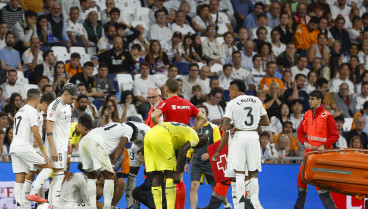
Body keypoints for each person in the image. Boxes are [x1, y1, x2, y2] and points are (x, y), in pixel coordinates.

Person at [213, 79, 270, 209]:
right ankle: (256, 202)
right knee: (253, 172)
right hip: (253, 137)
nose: (229, 94)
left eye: (229, 91)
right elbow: (266, 122)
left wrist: (237, 124)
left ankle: (239, 204)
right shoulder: (256, 100)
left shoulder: (232, 103)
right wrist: (253, 123)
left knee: (239, 173)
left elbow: (225, 126)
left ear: (235, 90)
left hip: (240, 137)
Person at [151, 78, 207, 209]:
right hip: (183, 144)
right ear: (178, 89)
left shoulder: (166, 103)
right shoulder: (187, 103)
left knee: (168, 177)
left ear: (166, 89)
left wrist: (161, 129)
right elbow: (203, 118)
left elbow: (154, 116)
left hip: (169, 142)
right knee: (179, 177)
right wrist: (192, 132)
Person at [144, 122, 208, 209]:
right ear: (200, 144)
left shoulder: (185, 131)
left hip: (149, 134)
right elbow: (182, 150)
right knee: (170, 174)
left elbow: (178, 150)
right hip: (162, 136)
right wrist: (177, 173)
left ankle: (158, 207)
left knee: (156, 174)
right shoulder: (195, 138)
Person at [294, 89, 339, 209]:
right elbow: (300, 132)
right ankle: (299, 207)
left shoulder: (327, 116)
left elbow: (335, 135)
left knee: (320, 185)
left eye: (312, 99)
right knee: (301, 179)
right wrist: (304, 142)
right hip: (308, 153)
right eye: (309, 98)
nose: (310, 101)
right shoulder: (307, 114)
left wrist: (323, 145)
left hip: (321, 155)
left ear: (319, 100)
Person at [9, 89, 53, 207]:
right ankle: (34, 193)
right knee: (48, 166)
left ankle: (22, 206)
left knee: (20, 178)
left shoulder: (20, 111)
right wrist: (43, 152)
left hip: (14, 147)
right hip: (24, 147)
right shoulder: (32, 111)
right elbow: (36, 133)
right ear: (38, 99)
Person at [79, 122, 138, 209]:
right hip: (97, 177)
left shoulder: (122, 149)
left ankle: (110, 206)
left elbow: (125, 172)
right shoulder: (104, 144)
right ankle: (100, 206)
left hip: (85, 142)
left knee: (120, 181)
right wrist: (102, 174)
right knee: (101, 187)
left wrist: (111, 174)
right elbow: (80, 166)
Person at [45, 83, 79, 208]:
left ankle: (50, 203)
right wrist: (53, 148)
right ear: (65, 94)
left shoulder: (68, 106)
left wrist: (69, 142)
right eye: (72, 98)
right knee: (59, 175)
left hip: (63, 145)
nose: (74, 101)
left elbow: (65, 126)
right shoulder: (54, 106)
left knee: (58, 175)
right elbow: (48, 127)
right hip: (56, 145)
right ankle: (55, 204)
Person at [125, 121, 151, 208]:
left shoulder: (149, 134)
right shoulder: (124, 129)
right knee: (131, 175)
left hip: (149, 146)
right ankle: (130, 206)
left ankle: (155, 204)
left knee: (149, 173)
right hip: (135, 147)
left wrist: (147, 163)